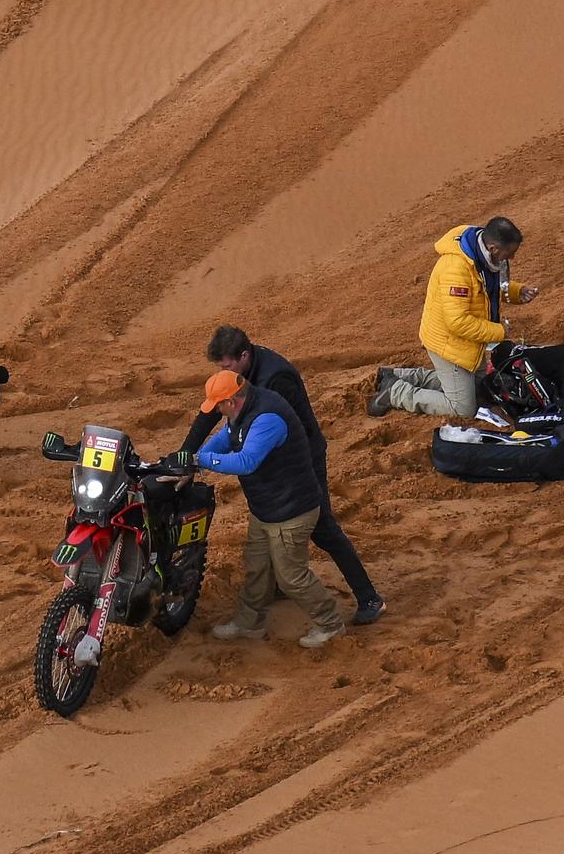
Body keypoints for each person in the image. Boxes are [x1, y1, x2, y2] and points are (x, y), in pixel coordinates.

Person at [181, 326, 385, 625]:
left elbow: (264, 439)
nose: (222, 371)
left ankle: (369, 597)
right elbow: (213, 412)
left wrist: (203, 459)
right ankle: (277, 585)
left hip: (300, 458)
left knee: (321, 526)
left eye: (225, 366)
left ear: (243, 356)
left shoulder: (276, 379)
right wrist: (183, 455)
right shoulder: (239, 380)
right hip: (275, 456)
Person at [176, 369, 345, 648]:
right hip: (266, 508)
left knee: (291, 577)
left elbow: (246, 461)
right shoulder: (242, 411)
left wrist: (203, 462)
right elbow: (226, 438)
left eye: (218, 405)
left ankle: (330, 624)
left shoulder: (267, 419)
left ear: (231, 401)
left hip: (291, 512)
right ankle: (249, 623)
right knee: (257, 568)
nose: (216, 410)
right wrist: (196, 460)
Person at [372, 216, 538, 419]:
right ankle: (395, 392)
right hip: (449, 344)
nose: (510, 259)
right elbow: (458, 322)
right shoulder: (457, 269)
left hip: (466, 344)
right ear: (493, 247)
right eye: (509, 253)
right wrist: (499, 331)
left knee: (480, 388)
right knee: (463, 408)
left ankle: (398, 375)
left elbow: (483, 290)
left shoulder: (480, 252)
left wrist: (516, 292)